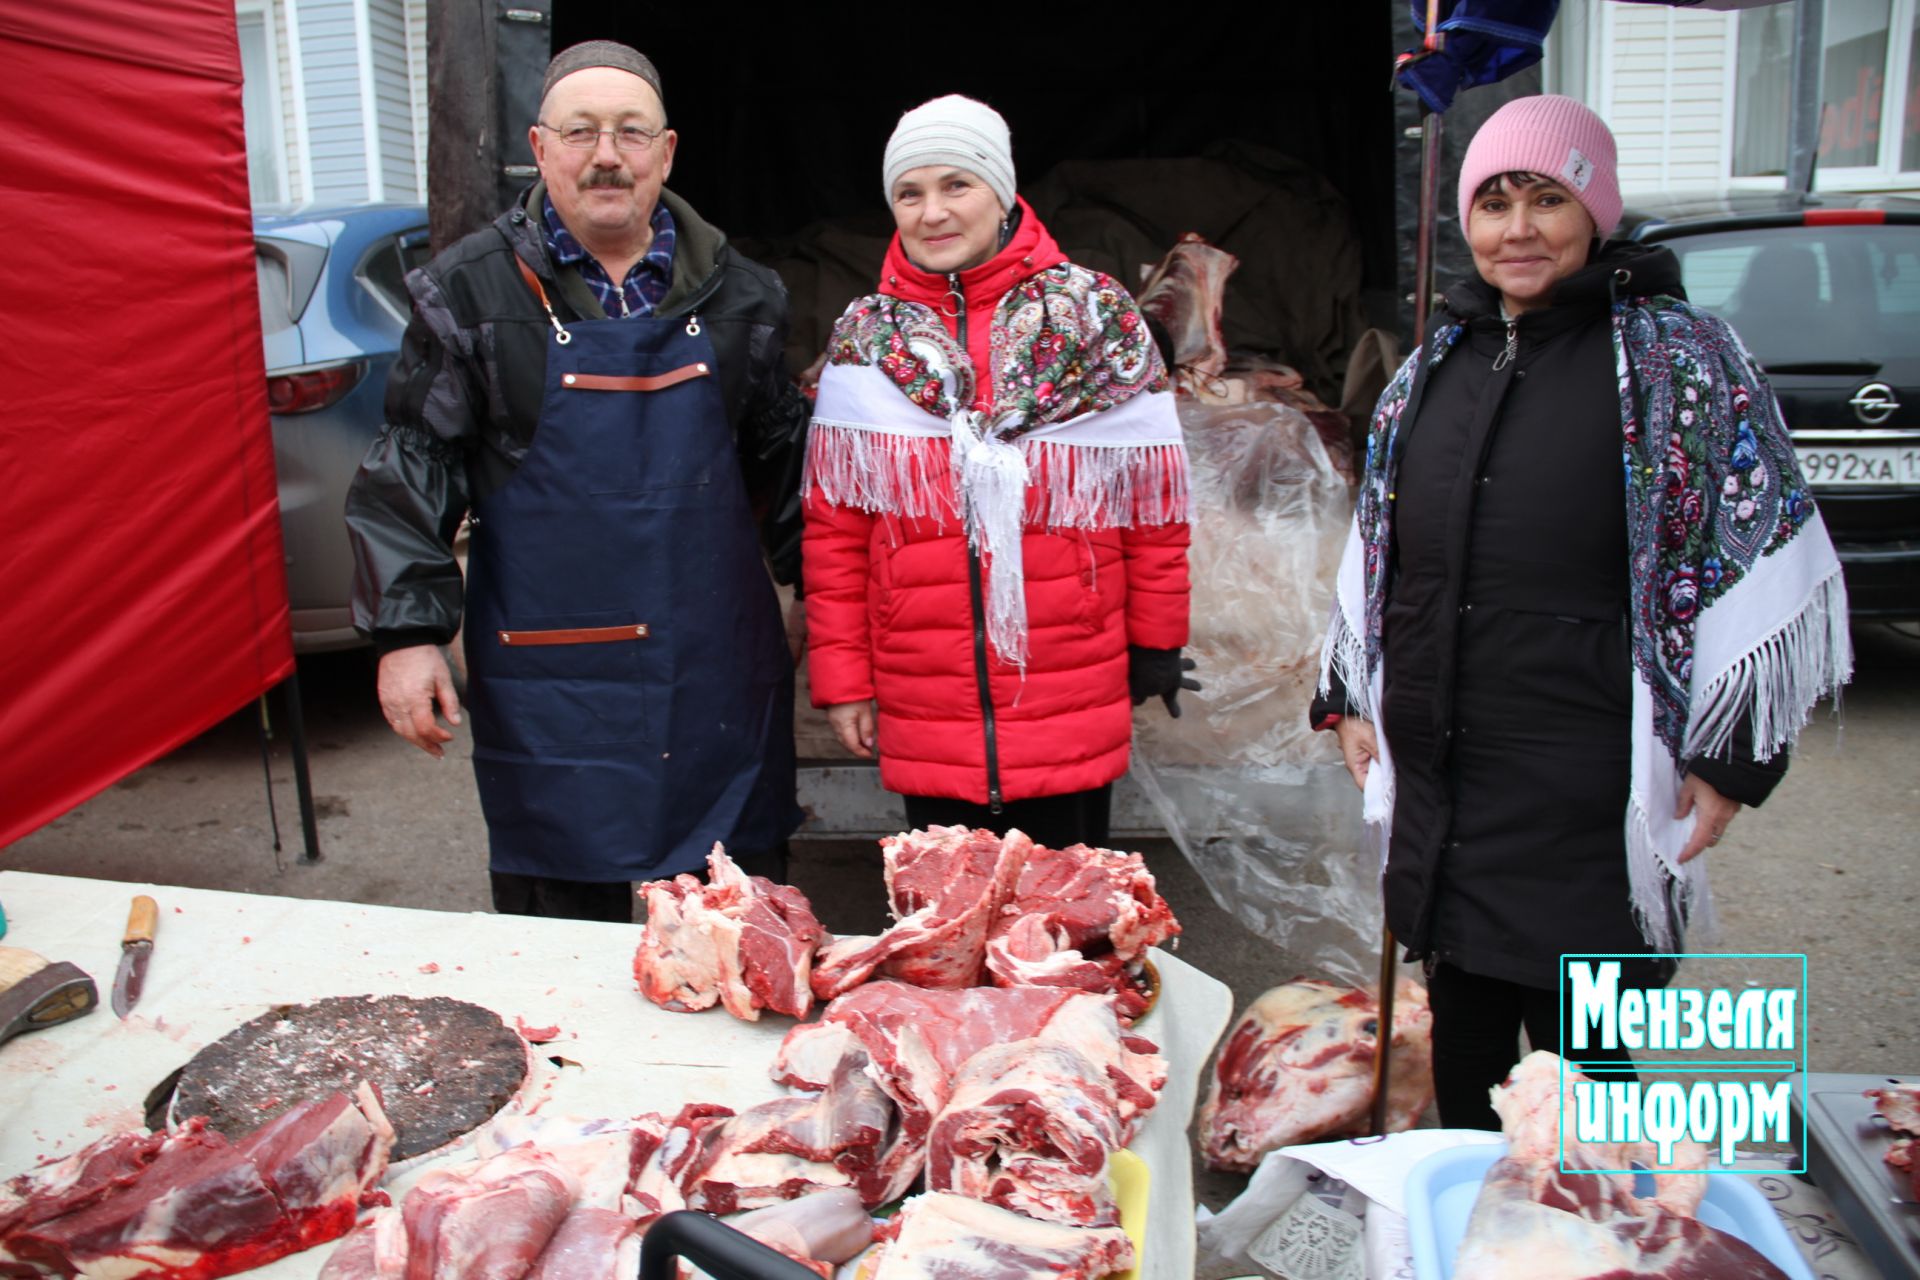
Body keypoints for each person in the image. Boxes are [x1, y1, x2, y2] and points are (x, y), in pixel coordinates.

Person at [1311, 95, 1851, 1128]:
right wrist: (1350, 689)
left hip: (1588, 777)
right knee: (1463, 1038)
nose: (1518, 227)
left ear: (1594, 209)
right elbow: (1377, 552)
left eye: (1547, 198)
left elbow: (1765, 552)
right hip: (1449, 779)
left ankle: (1593, 1230)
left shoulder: (1683, 364)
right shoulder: (1437, 365)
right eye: (1495, 200)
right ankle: (1474, 1224)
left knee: (1582, 1067)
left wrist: (1733, 754)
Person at [345, 41, 808, 920]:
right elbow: (414, 462)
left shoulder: (744, 295)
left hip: (715, 673)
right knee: (563, 966)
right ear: (540, 147)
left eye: (631, 134)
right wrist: (405, 635)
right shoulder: (468, 293)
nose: (607, 155)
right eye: (582, 131)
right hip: (556, 685)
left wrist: (819, 592)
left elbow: (784, 460)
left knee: (739, 943)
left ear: (665, 154)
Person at [801, 95, 1197, 852]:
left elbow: (1152, 506)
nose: (932, 212)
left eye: (957, 184)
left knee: (1065, 934)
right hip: (926, 693)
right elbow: (835, 533)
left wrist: (1155, 642)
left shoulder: (1093, 317)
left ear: (1002, 189)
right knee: (950, 930)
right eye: (909, 193)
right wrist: (844, 681)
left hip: (1068, 681)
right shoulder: (866, 340)